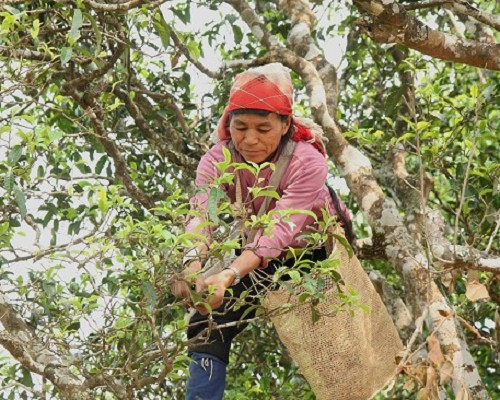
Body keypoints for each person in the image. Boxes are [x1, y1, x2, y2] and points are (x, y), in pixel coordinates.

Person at [172, 63, 352, 400]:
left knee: (335, 353)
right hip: (256, 252)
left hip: (311, 251)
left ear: (285, 125)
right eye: (240, 127)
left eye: (263, 128)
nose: (250, 139)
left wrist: (227, 275)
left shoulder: (308, 161)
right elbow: (202, 213)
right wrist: (193, 265)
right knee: (205, 324)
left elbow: (280, 230)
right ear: (229, 124)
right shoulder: (218, 159)